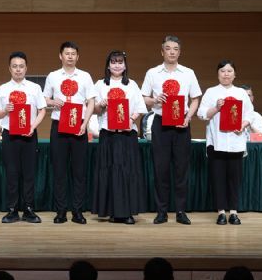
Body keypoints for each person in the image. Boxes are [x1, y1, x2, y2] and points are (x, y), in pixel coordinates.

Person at [141, 35, 202, 225]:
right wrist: (155, 100)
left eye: (175, 49)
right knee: (161, 169)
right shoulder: (153, 73)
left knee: (181, 169)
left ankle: (181, 211)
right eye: (168, 48)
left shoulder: (188, 73)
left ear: (179, 52)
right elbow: (144, 98)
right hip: (160, 123)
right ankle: (161, 212)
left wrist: (188, 117)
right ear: (162, 52)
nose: (172, 52)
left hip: (182, 124)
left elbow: (195, 99)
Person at [43, 41, 96, 225]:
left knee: (79, 172)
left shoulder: (85, 76)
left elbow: (91, 102)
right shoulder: (53, 76)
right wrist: (52, 102)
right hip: (59, 126)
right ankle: (60, 211)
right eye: (67, 53)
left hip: (79, 126)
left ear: (77, 56)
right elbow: (44, 99)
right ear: (61, 56)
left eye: (73, 53)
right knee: (59, 171)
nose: (70, 56)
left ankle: (78, 211)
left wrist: (85, 124)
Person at [92, 51, 147, 225]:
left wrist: (130, 119)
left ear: (125, 65)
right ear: (108, 66)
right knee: (108, 171)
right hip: (108, 133)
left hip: (127, 134)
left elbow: (140, 108)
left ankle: (126, 212)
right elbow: (94, 110)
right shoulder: (100, 84)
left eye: (120, 62)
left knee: (126, 171)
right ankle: (111, 211)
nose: (117, 65)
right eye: (113, 62)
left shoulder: (132, 84)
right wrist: (101, 104)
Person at [198, 60, 253, 226]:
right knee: (218, 179)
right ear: (218, 74)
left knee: (234, 179)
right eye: (222, 71)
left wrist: (242, 125)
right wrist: (216, 108)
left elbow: (249, 114)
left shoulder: (241, 93)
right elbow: (201, 114)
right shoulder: (211, 92)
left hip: (236, 142)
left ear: (235, 74)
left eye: (229, 71)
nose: (226, 74)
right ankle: (221, 212)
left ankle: (234, 212)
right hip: (217, 143)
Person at [0, 51, 47, 223]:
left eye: (21, 66)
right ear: (9, 68)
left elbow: (42, 110)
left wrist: (33, 126)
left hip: (29, 134)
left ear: (26, 68)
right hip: (10, 135)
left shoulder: (35, 88)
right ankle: (12, 210)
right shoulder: (2, 89)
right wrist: (5, 110)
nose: (18, 69)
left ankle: (29, 209)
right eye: (15, 66)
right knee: (11, 173)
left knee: (29, 173)